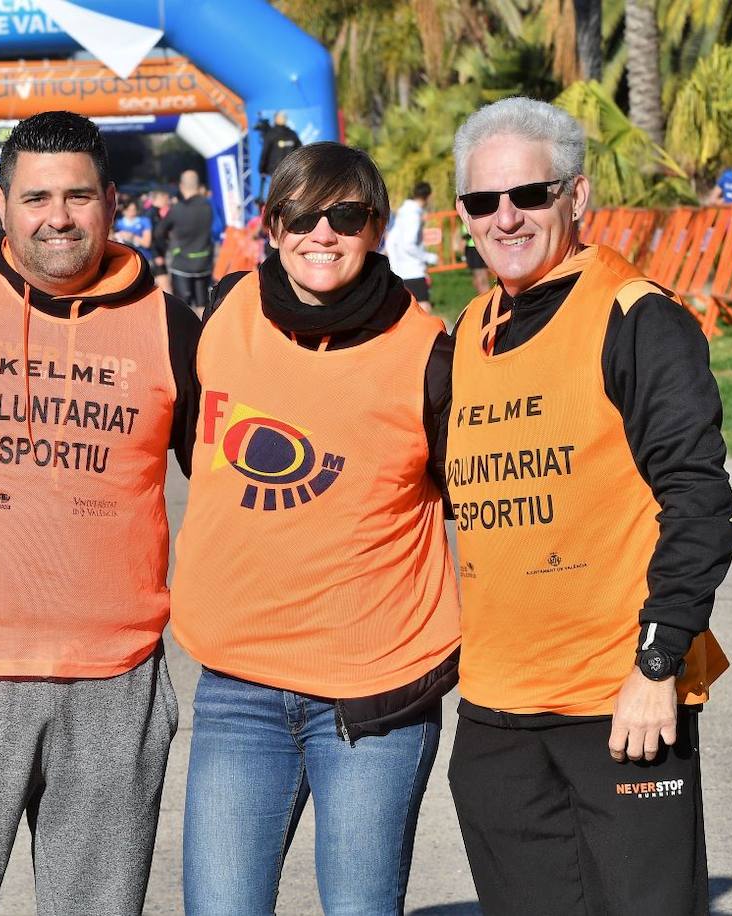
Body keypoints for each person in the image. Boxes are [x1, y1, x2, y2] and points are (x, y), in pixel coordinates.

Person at [0, 109, 201, 916]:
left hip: (114, 679)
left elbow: (236, 485)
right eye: (36, 198)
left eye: (77, 196)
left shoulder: (170, 327)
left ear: (113, 200)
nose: (56, 216)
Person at [445, 96, 732, 915]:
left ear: (577, 197)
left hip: (620, 704)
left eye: (529, 195)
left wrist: (656, 667)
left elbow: (699, 502)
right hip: (497, 718)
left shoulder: (637, 317)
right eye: (482, 201)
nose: (505, 218)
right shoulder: (465, 332)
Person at [172, 142, 459, 915]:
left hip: (372, 698)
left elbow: (486, 502)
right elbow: (192, 448)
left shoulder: (429, 353)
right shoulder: (227, 308)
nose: (322, 234)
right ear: (272, 226)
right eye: (301, 215)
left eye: (347, 216)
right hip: (240, 686)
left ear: (375, 230)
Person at [155, 169, 215, 309]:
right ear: (198, 185)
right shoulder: (209, 206)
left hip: (182, 262)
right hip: (204, 262)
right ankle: (204, 330)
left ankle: (187, 331)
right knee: (203, 304)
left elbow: (158, 232)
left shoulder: (178, 209)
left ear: (181, 186)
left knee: (183, 307)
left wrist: (168, 243)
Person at [385, 181, 438, 312]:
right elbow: (409, 245)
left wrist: (394, 265)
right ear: (429, 196)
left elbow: (391, 241)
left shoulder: (402, 213)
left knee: (407, 312)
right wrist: (430, 257)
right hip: (413, 270)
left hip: (400, 271)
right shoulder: (414, 215)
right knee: (424, 309)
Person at [257, 110, 302, 189]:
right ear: (275, 119)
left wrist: (262, 170)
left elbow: (300, 151)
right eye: (281, 117)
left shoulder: (291, 134)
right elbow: (265, 152)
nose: (283, 119)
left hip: (286, 170)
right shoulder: (272, 134)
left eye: (284, 117)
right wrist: (262, 169)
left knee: (282, 192)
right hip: (280, 170)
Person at [114, 196, 154, 265]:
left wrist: (132, 237)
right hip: (124, 259)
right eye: (128, 210)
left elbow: (147, 243)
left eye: (134, 210)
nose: (131, 213)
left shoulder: (144, 221)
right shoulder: (117, 223)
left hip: (143, 257)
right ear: (123, 210)